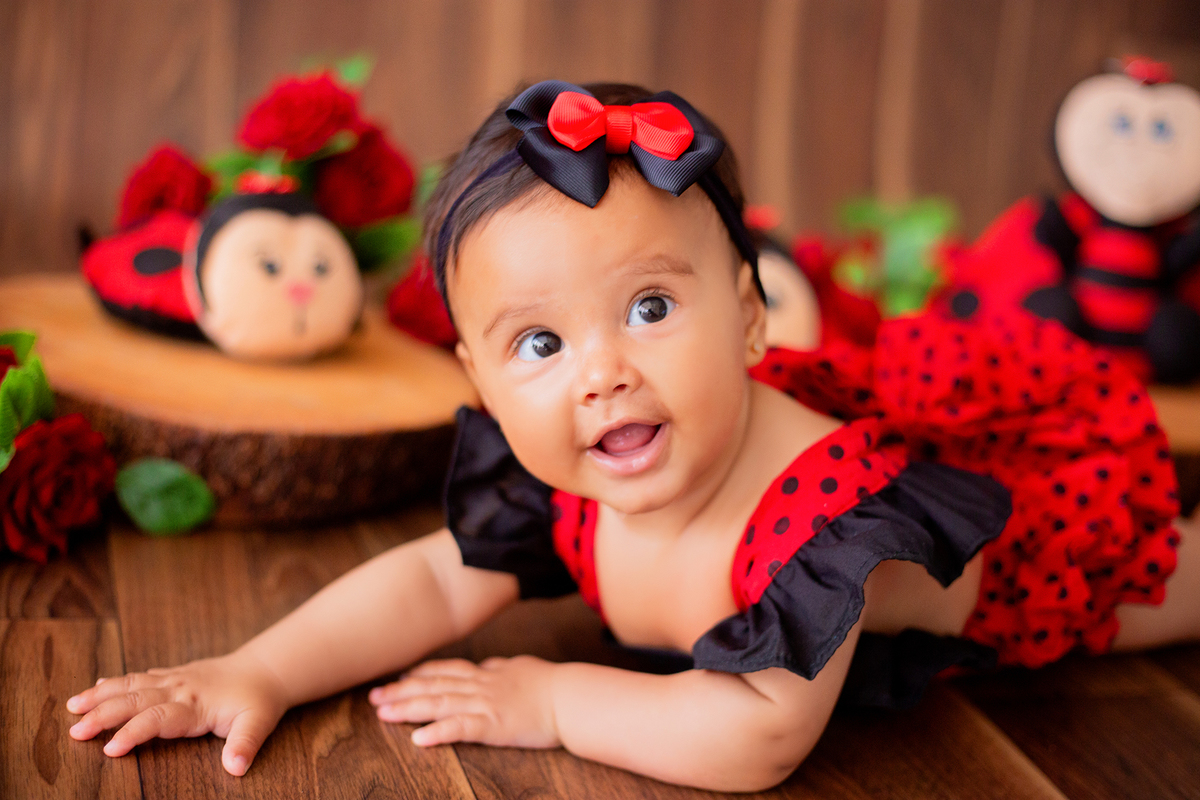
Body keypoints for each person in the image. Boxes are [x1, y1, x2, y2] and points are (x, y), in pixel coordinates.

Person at [65, 81, 1199, 793]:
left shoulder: (822, 517)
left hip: (1047, 553)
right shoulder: (563, 472)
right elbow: (430, 581)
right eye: (538, 343)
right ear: (479, 378)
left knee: (1174, 582)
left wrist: (552, 700)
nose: (602, 370)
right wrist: (256, 666)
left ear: (752, 316)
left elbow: (755, 735)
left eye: (651, 309)